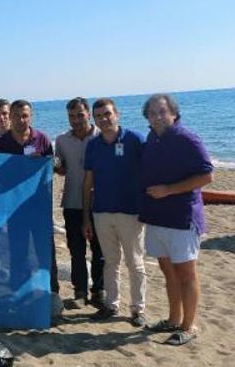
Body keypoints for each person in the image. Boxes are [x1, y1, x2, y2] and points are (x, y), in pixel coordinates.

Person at [139, 93, 213, 345]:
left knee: (186, 273)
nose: (157, 116)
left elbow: (206, 176)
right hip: (157, 218)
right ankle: (173, 319)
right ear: (147, 117)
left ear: (174, 113)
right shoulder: (152, 138)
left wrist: (169, 190)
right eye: (152, 113)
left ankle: (189, 326)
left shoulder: (187, 138)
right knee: (167, 271)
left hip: (182, 218)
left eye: (162, 111)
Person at [82, 98, 146, 325]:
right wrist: (86, 217)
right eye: (98, 116)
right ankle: (111, 305)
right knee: (110, 261)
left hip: (131, 212)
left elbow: (151, 171)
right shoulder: (93, 145)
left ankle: (138, 309)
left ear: (116, 114)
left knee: (135, 262)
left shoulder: (135, 139)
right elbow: (88, 182)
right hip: (102, 212)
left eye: (107, 114)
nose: (103, 119)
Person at [0, 100, 59, 296]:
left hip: (39, 207)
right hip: (13, 209)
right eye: (17, 116)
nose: (21, 120)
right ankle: (18, 293)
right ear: (10, 117)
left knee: (45, 251)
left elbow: (54, 166)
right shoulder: (0, 144)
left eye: (25, 116)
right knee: (17, 251)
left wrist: (50, 162)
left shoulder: (42, 139)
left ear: (31, 116)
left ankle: (52, 293)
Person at [54, 97, 104, 309]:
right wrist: (55, 166)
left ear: (89, 115)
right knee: (76, 251)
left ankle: (98, 291)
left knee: (100, 251)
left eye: (80, 115)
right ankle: (80, 291)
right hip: (72, 202)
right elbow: (61, 168)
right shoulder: (62, 140)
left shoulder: (102, 137)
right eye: (71, 116)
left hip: (100, 203)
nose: (76, 120)